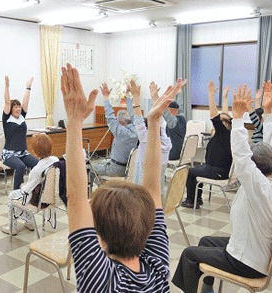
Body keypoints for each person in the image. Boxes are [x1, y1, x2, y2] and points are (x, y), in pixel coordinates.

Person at [62, 62, 186, 293]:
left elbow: (76, 197)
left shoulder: (101, 283)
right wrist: (155, 121)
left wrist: (74, 120)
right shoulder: (158, 270)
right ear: (147, 228)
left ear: (98, 235)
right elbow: (153, 191)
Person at [172, 83, 272, 293]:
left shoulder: (259, 187)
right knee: (206, 241)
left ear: (256, 169)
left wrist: (237, 118)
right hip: (257, 247)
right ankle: (206, 290)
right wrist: (268, 114)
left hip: (247, 261)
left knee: (189, 255)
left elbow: (242, 157)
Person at [182, 81, 233, 209]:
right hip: (217, 168)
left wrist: (210, 95)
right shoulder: (228, 132)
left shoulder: (224, 133)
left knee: (190, 172)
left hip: (218, 171)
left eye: (220, 122)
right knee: (197, 170)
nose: (217, 125)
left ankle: (191, 200)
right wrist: (225, 99)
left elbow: (215, 116)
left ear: (224, 124)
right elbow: (224, 116)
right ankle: (197, 199)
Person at [2, 133, 58, 235]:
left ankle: (12, 226)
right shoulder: (56, 160)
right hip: (52, 198)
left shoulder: (37, 169)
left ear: (36, 152)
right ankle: (29, 222)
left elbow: (26, 190)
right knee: (28, 193)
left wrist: (22, 185)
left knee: (13, 195)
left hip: (39, 200)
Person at [126, 80, 171, 194]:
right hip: (159, 192)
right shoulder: (166, 142)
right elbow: (159, 117)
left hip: (142, 192)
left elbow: (138, 120)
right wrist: (155, 97)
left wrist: (136, 96)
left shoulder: (146, 139)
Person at [90, 83, 138, 180]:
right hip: (128, 169)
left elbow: (110, 116)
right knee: (101, 162)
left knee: (90, 168)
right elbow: (133, 113)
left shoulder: (120, 132)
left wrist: (105, 97)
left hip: (115, 169)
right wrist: (128, 95)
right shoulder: (136, 128)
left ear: (120, 122)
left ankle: (94, 191)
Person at [2, 76, 39, 190]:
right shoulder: (7, 119)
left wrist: (28, 87)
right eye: (16, 107)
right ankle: (17, 193)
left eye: (19, 107)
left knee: (37, 164)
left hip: (22, 153)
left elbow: (26, 102)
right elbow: (7, 102)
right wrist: (7, 87)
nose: (18, 109)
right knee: (21, 167)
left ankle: (32, 188)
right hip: (9, 154)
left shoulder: (22, 117)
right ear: (11, 109)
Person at [154, 81, 187, 161]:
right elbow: (180, 105)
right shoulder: (182, 117)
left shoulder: (172, 122)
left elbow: (162, 108)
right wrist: (179, 89)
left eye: (168, 109)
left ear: (171, 110)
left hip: (171, 154)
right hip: (179, 153)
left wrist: (155, 96)